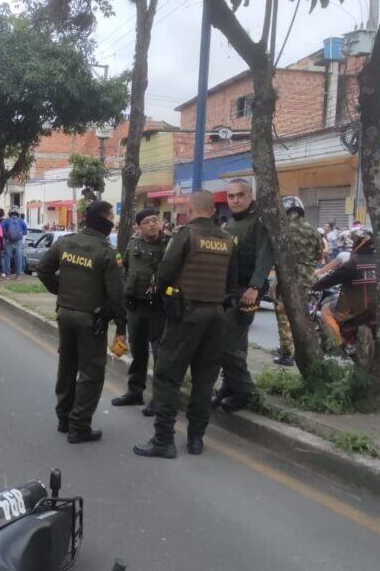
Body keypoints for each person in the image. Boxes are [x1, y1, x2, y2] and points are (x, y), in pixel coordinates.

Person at [134, 191, 232, 458]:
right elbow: (230, 280)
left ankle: (164, 441)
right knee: (204, 379)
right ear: (212, 210)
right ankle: (196, 440)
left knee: (167, 376)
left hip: (186, 315)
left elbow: (165, 271)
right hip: (216, 316)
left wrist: (167, 297)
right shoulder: (226, 239)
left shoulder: (185, 234)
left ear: (189, 209)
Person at [36, 200, 126, 444]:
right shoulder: (107, 252)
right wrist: (121, 326)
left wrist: (61, 292)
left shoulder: (65, 242)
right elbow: (116, 295)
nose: (113, 223)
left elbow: (43, 270)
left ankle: (64, 419)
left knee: (67, 367)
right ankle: (79, 426)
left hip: (65, 315)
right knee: (91, 373)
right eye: (111, 218)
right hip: (90, 320)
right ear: (104, 220)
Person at [211, 178, 274, 412]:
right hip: (228, 290)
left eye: (240, 195)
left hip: (247, 290)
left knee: (224, 342)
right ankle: (230, 386)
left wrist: (255, 287)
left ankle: (245, 390)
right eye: (231, 196)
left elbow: (266, 255)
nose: (235, 200)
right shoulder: (229, 224)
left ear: (250, 196)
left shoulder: (258, 221)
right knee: (237, 342)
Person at [111, 208, 168, 415]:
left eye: (155, 220)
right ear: (138, 226)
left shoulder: (168, 245)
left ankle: (159, 399)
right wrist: (126, 289)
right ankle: (135, 392)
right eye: (147, 222)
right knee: (138, 352)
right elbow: (124, 268)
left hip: (158, 308)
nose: (153, 224)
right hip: (135, 306)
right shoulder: (133, 244)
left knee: (160, 355)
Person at [273, 196, 323, 367]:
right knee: (303, 314)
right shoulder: (313, 229)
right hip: (308, 276)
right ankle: (306, 351)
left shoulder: (284, 229)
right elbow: (319, 254)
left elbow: (277, 253)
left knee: (283, 313)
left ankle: (287, 353)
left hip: (289, 275)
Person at [312, 227, 377, 351]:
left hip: (356, 306)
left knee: (326, 310)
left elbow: (331, 279)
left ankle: (337, 347)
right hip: (377, 306)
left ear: (361, 242)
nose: (353, 243)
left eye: (355, 240)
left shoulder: (353, 263)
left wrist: (315, 285)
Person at [1, 205, 28, 281]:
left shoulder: (6, 220)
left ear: (10, 212)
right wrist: (21, 233)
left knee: (7, 258)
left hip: (8, 241)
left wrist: (6, 234)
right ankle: (18, 275)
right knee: (18, 258)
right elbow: (25, 232)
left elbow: (1, 228)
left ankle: (7, 275)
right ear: (18, 213)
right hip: (18, 242)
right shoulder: (21, 221)